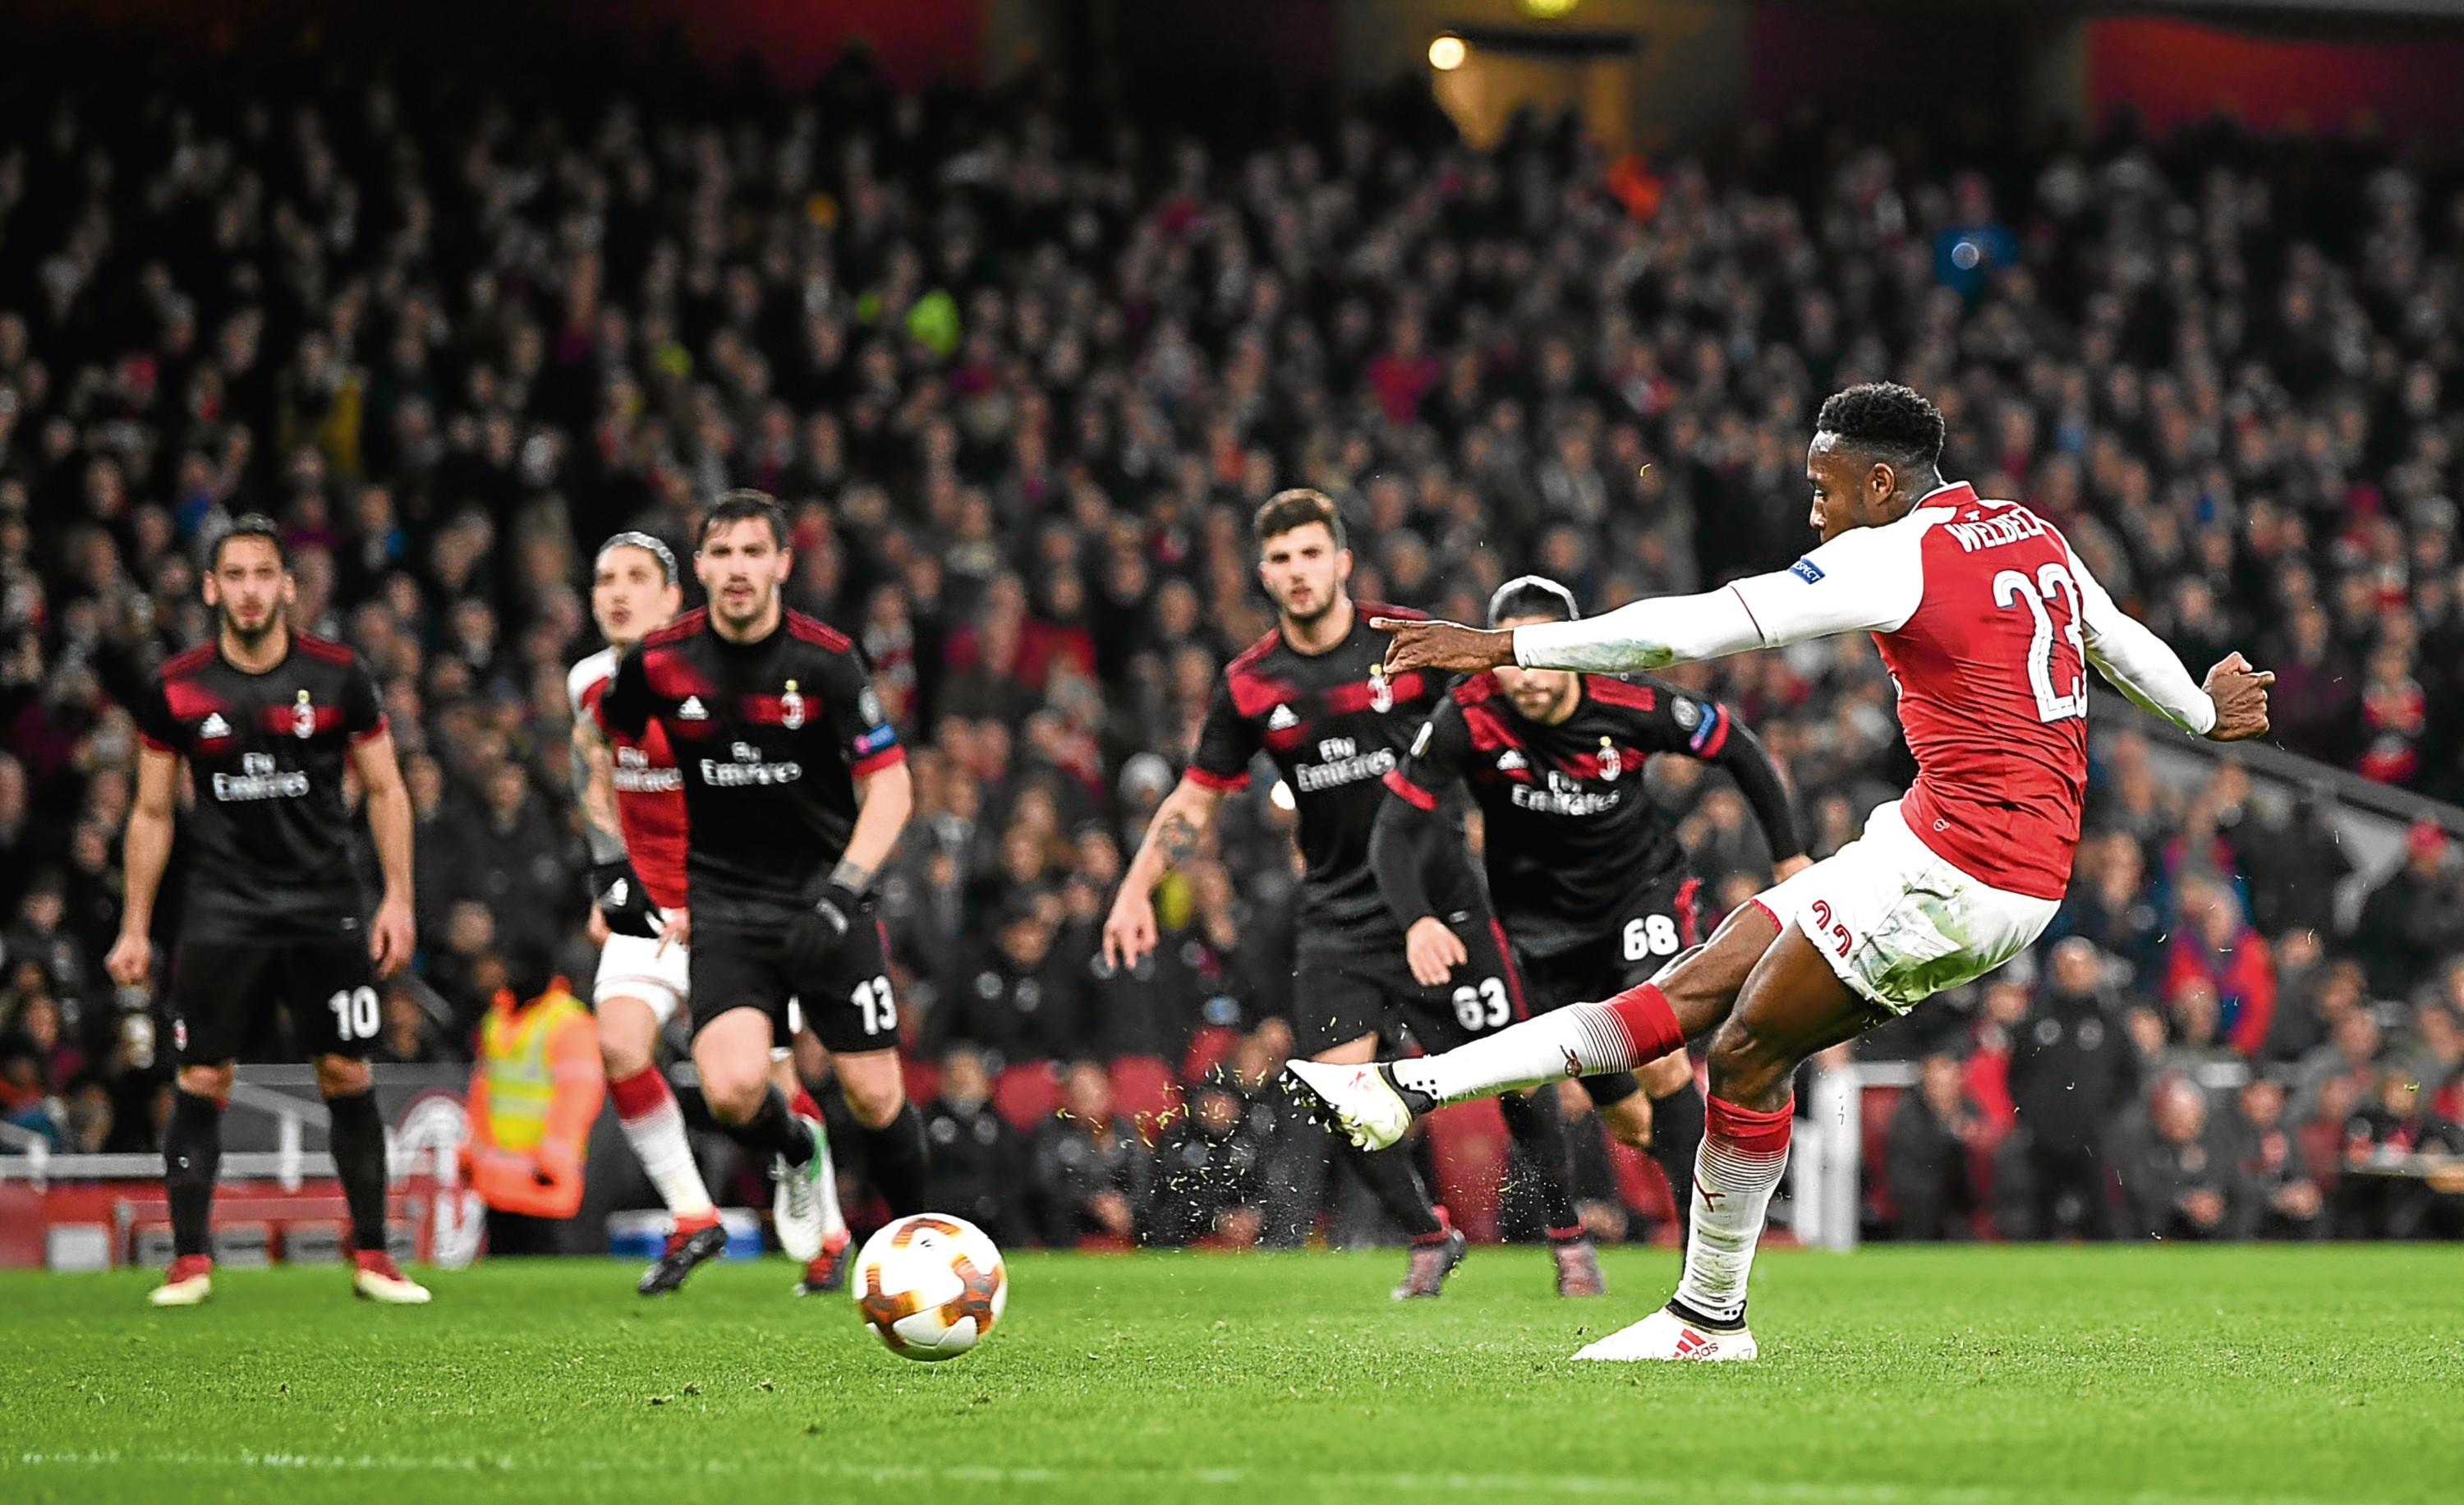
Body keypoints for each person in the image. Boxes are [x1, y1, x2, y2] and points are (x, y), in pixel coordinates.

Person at [1289, 383, 2272, 1359]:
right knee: (1688, 991)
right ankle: (1407, 1088)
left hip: (1963, 870)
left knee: (1745, 1051)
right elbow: (2115, 637)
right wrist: (2198, 710)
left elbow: (1696, 629)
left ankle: (1707, 1319)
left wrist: (1502, 643)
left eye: (1825, 489)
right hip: (1946, 844)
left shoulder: (1893, 554)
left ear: (1882, 482)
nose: (1814, 511)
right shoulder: (2029, 532)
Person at [1369, 573, 1809, 1289]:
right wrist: (1416, 917)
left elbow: (1738, 747)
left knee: (1664, 1059)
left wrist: (1786, 852)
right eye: (1511, 657)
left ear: (1575, 650)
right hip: (1542, 939)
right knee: (1633, 1123)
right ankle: (1694, 1204)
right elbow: (1395, 824)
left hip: (1640, 900)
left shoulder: (1630, 700)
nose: (1528, 677)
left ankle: (1703, 1264)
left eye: (1543, 655)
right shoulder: (1467, 715)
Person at [1101, 489, 1477, 1298]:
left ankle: (1568, 1239)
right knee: (1343, 1095)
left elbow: (1490, 729)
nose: (1298, 571)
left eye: (1311, 553)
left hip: (1441, 897)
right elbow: (1195, 798)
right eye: (1281, 558)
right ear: (1263, 573)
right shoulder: (1250, 683)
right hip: (1340, 907)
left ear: (1342, 560)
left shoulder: (1409, 642)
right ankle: (1429, 1232)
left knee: (1510, 1068)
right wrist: (1136, 888)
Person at [587, 490, 926, 1280]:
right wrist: (609, 865)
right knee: (736, 1091)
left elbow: (893, 785)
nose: (737, 569)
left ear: (782, 563)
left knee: (877, 1098)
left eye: (753, 553)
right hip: (727, 906)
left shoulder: (826, 660)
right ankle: (796, 1150)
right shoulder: (659, 663)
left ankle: (923, 1246)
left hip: (826, 904)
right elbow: (596, 746)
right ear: (700, 567)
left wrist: (843, 893)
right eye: (722, 553)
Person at [108, 516, 429, 1306]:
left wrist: (398, 896)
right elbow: (150, 813)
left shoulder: (341, 674)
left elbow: (387, 789)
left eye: (264, 575)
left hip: (325, 902)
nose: (251, 590)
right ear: (213, 588)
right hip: (223, 905)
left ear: (288, 586)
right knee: (202, 1074)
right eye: (235, 576)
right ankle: (189, 1262)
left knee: (347, 1071)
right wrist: (135, 925)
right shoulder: (178, 686)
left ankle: (374, 1259)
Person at [568, 531, 850, 1296]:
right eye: (604, 579)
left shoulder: (714, 678)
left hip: (737, 903)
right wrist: (609, 878)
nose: (617, 593)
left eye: (636, 578)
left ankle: (826, 1233)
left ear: (672, 598)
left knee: (764, 1087)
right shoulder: (589, 682)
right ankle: (695, 1216)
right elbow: (591, 774)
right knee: (621, 1046)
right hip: (651, 905)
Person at [462, 972, 603, 1255]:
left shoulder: (568, 1022)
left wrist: (552, 1158)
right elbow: (483, 1090)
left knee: (545, 1264)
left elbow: (578, 1096)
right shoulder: (497, 1018)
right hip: (497, 1181)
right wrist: (471, 1149)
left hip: (543, 1180)